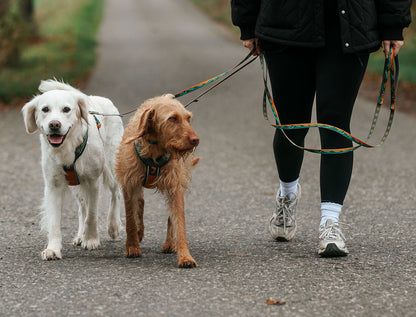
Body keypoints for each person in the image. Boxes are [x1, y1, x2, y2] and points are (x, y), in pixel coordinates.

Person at [231, 0, 412, 257]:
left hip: (349, 27)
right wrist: (247, 21)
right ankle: (287, 194)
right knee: (291, 123)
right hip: (284, 26)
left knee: (335, 123)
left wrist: (393, 23)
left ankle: (330, 222)